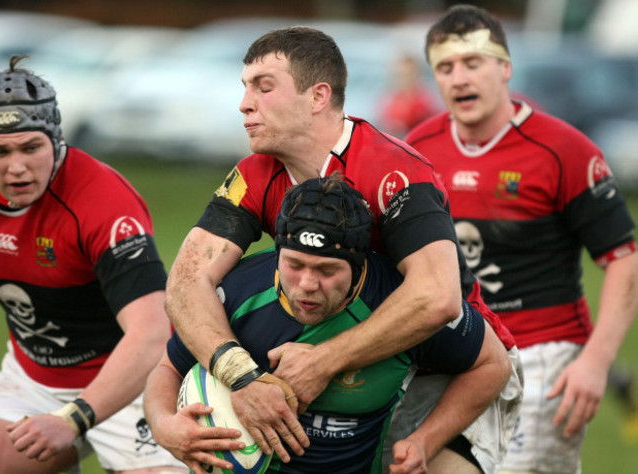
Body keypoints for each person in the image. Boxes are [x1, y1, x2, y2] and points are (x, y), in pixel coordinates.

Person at [164, 25, 519, 471]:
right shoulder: (256, 173)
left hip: (452, 369)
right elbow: (185, 279)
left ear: (317, 97)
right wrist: (240, 376)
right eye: (245, 88)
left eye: (263, 87)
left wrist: (324, 362)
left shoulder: (393, 170)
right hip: (348, 362)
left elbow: (437, 297)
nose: (244, 103)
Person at [146, 175, 519, 473]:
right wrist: (164, 426)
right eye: (294, 265)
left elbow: (492, 364)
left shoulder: (399, 304)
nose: (307, 284)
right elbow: (167, 369)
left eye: (327, 271)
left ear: (359, 268)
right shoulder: (238, 293)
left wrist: (425, 441)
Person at [404, 5, 638, 473]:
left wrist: (596, 363)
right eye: (446, 68)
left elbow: (623, 261)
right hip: (454, 356)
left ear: (505, 68)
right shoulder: (418, 150)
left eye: (473, 63)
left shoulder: (565, 150)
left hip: (543, 357)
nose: (459, 78)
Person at [0, 56, 186, 473]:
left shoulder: (101, 200)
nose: (16, 167)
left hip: (133, 376)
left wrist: (74, 419)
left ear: (56, 139)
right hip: (34, 378)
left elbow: (151, 333)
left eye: (31, 147)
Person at [377, 54, 441, 138]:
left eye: (408, 75)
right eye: (401, 76)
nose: (404, 81)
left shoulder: (425, 101)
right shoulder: (390, 100)